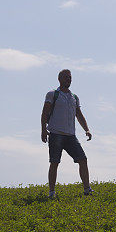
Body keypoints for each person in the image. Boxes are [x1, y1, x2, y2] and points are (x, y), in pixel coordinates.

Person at [41, 69, 93, 198]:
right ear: (59, 79)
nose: (68, 79)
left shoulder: (74, 97)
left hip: (71, 136)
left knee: (83, 159)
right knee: (54, 162)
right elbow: (45, 112)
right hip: (55, 134)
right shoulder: (53, 94)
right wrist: (43, 129)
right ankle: (52, 192)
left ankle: (87, 190)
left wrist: (86, 129)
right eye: (66, 77)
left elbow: (79, 115)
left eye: (70, 77)